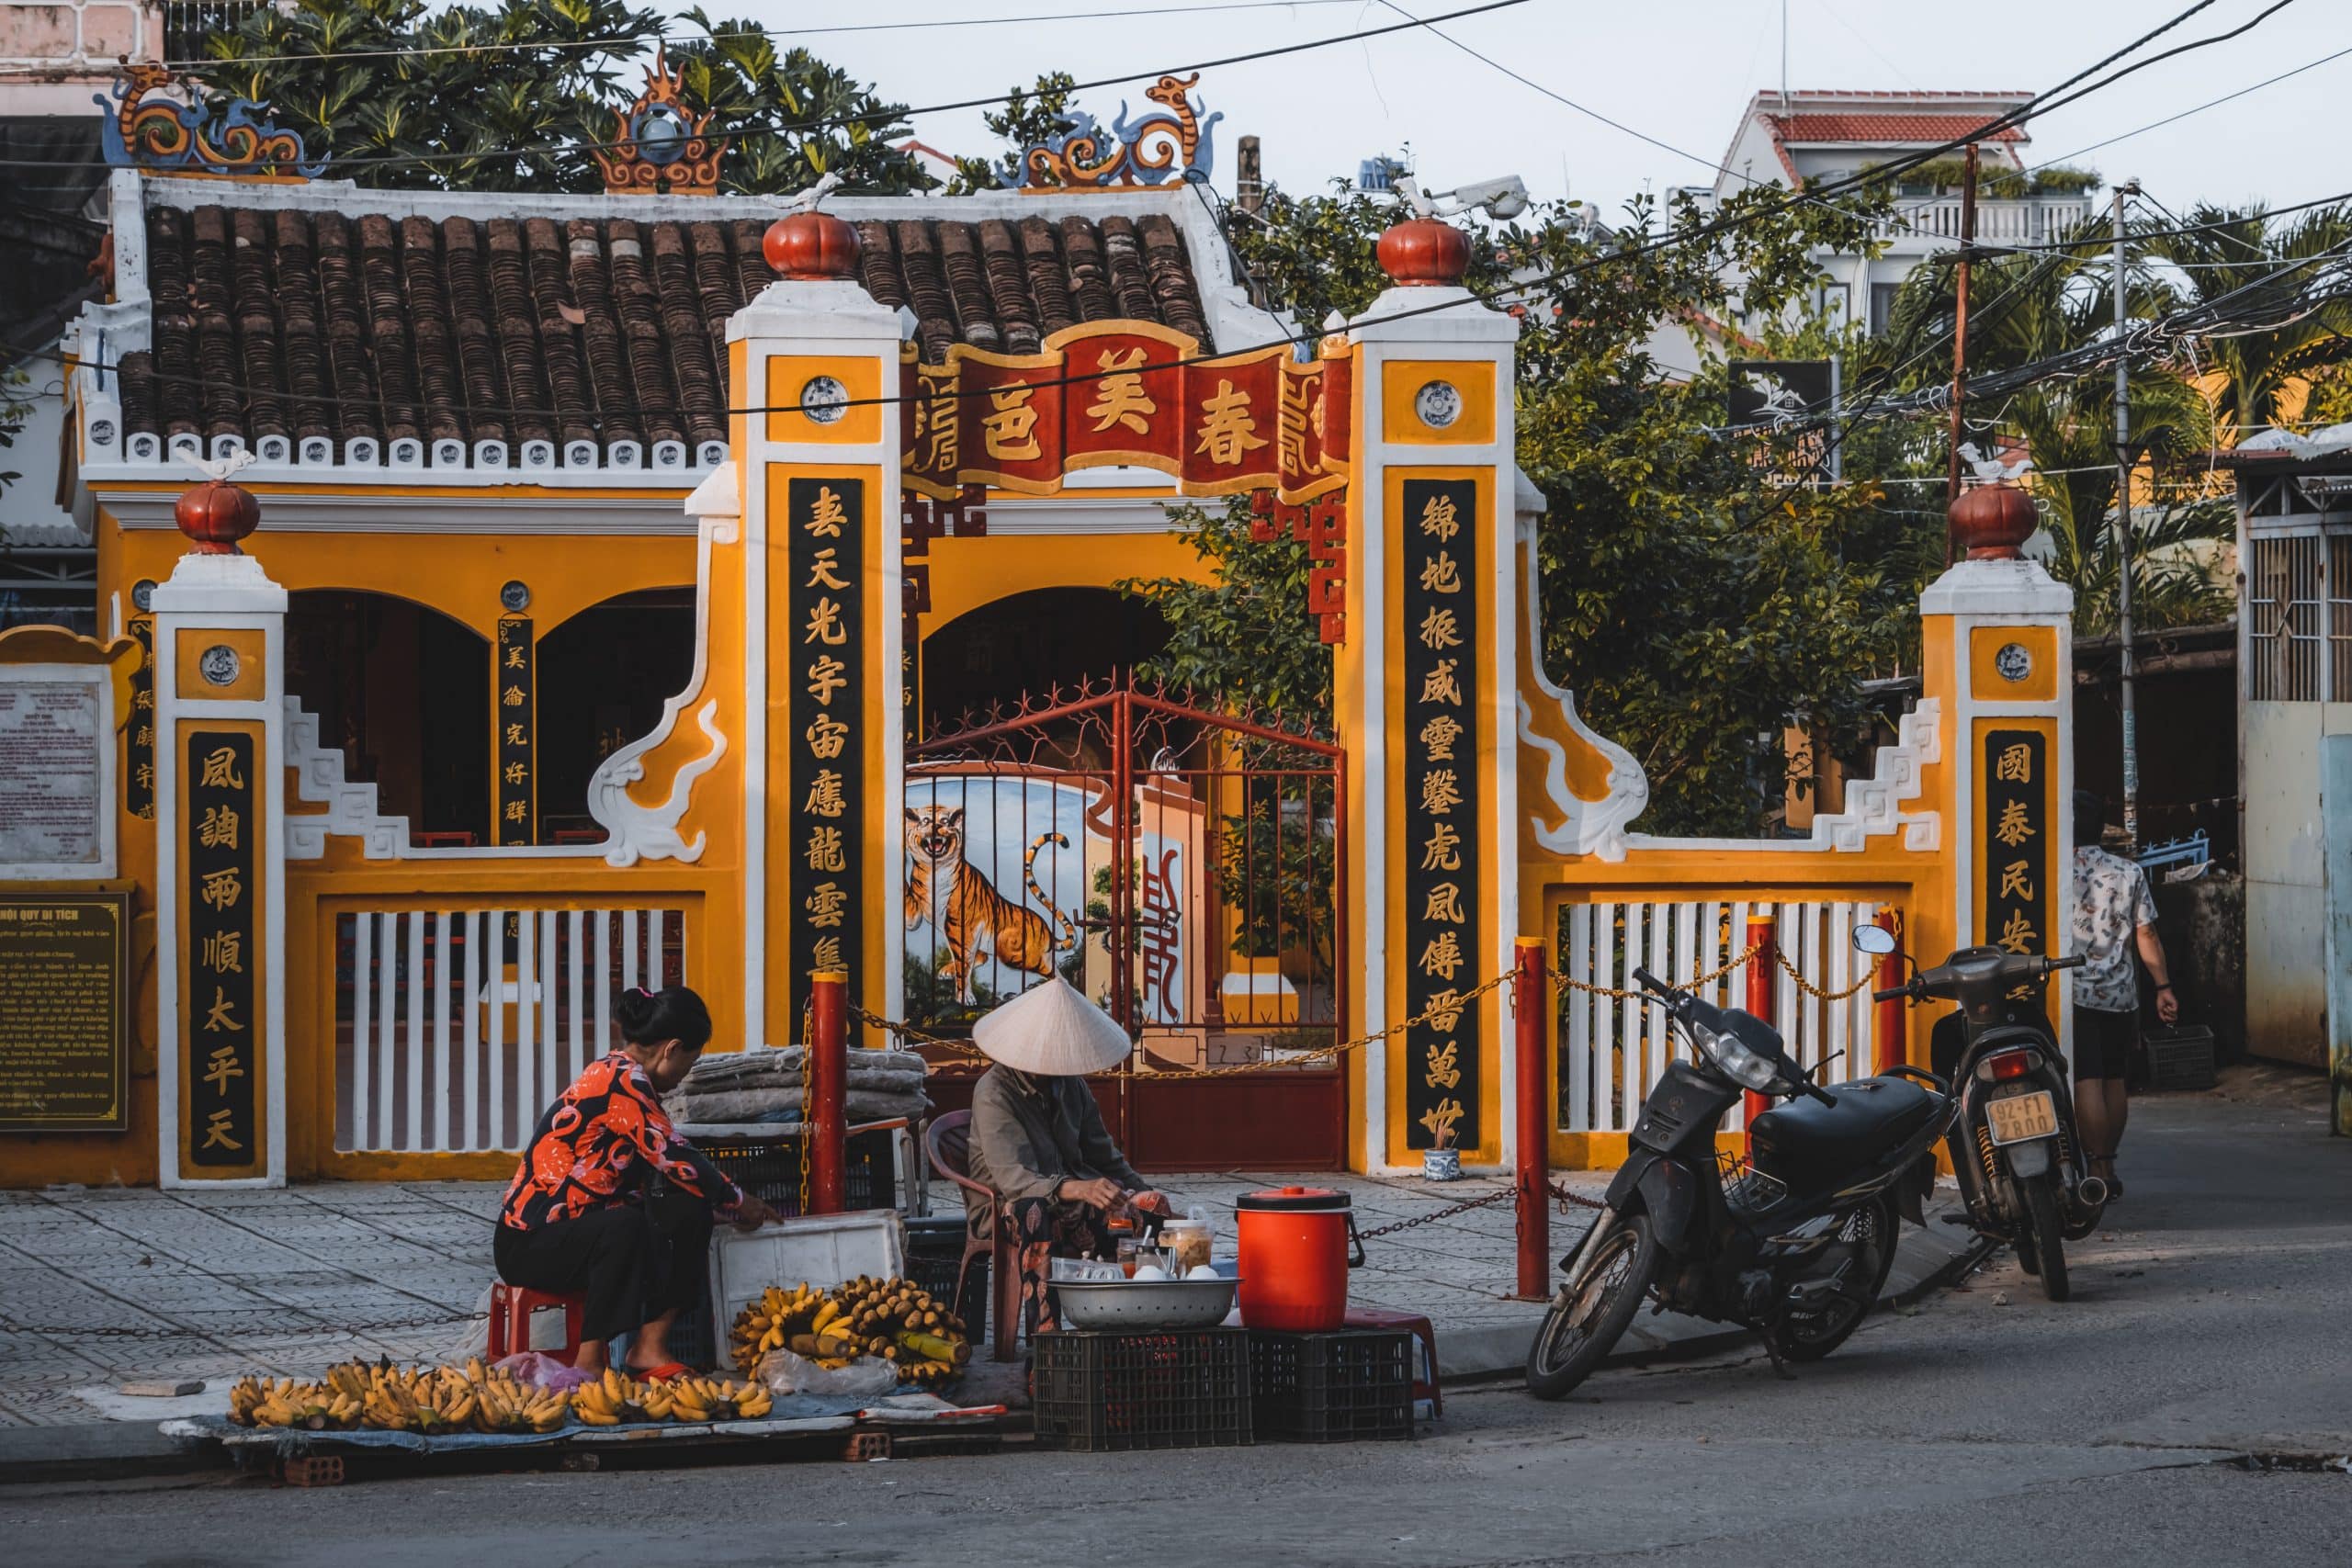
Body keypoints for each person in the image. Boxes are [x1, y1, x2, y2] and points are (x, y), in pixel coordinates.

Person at [493, 985, 775, 1377]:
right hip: (528, 1243)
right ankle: (589, 1360)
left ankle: (649, 1347)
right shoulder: (619, 1081)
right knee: (624, 1227)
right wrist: (737, 1198)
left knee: (688, 1209)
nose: (684, 1075)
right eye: (689, 1063)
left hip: (581, 1230)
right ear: (671, 1049)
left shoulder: (627, 1078)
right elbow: (674, 1154)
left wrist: (714, 1209)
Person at [964, 976, 1173, 1337]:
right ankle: (1046, 1337)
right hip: (1005, 1209)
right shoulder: (993, 1093)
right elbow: (1017, 1181)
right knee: (1035, 1211)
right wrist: (1080, 1189)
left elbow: (1104, 1154)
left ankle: (1138, 1326)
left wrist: (1141, 1194)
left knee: (1146, 1213)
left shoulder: (1070, 1085)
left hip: (1068, 1203)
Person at [2068, 791, 2178, 1199]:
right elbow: (2146, 933)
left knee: (2086, 1079)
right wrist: (2163, 987)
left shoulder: (2055, 870)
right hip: (2121, 994)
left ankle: (2094, 1164)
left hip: (2075, 994)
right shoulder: (2128, 872)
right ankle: (2109, 1164)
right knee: (2115, 1080)